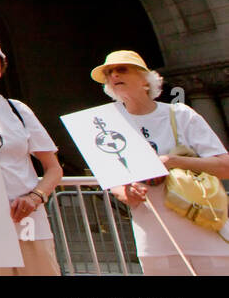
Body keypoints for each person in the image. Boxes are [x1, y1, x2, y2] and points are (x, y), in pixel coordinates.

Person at [95, 50, 229, 275]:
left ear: (145, 79)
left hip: (206, 231)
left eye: (122, 69)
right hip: (154, 241)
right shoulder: (105, 125)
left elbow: (224, 166)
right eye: (109, 73)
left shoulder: (180, 114)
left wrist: (173, 161)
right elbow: (112, 181)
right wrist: (126, 193)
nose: (114, 75)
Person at [0, 39, 63, 275]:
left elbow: (53, 168)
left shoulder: (18, 110)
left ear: (0, 70)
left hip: (27, 221)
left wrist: (35, 197)